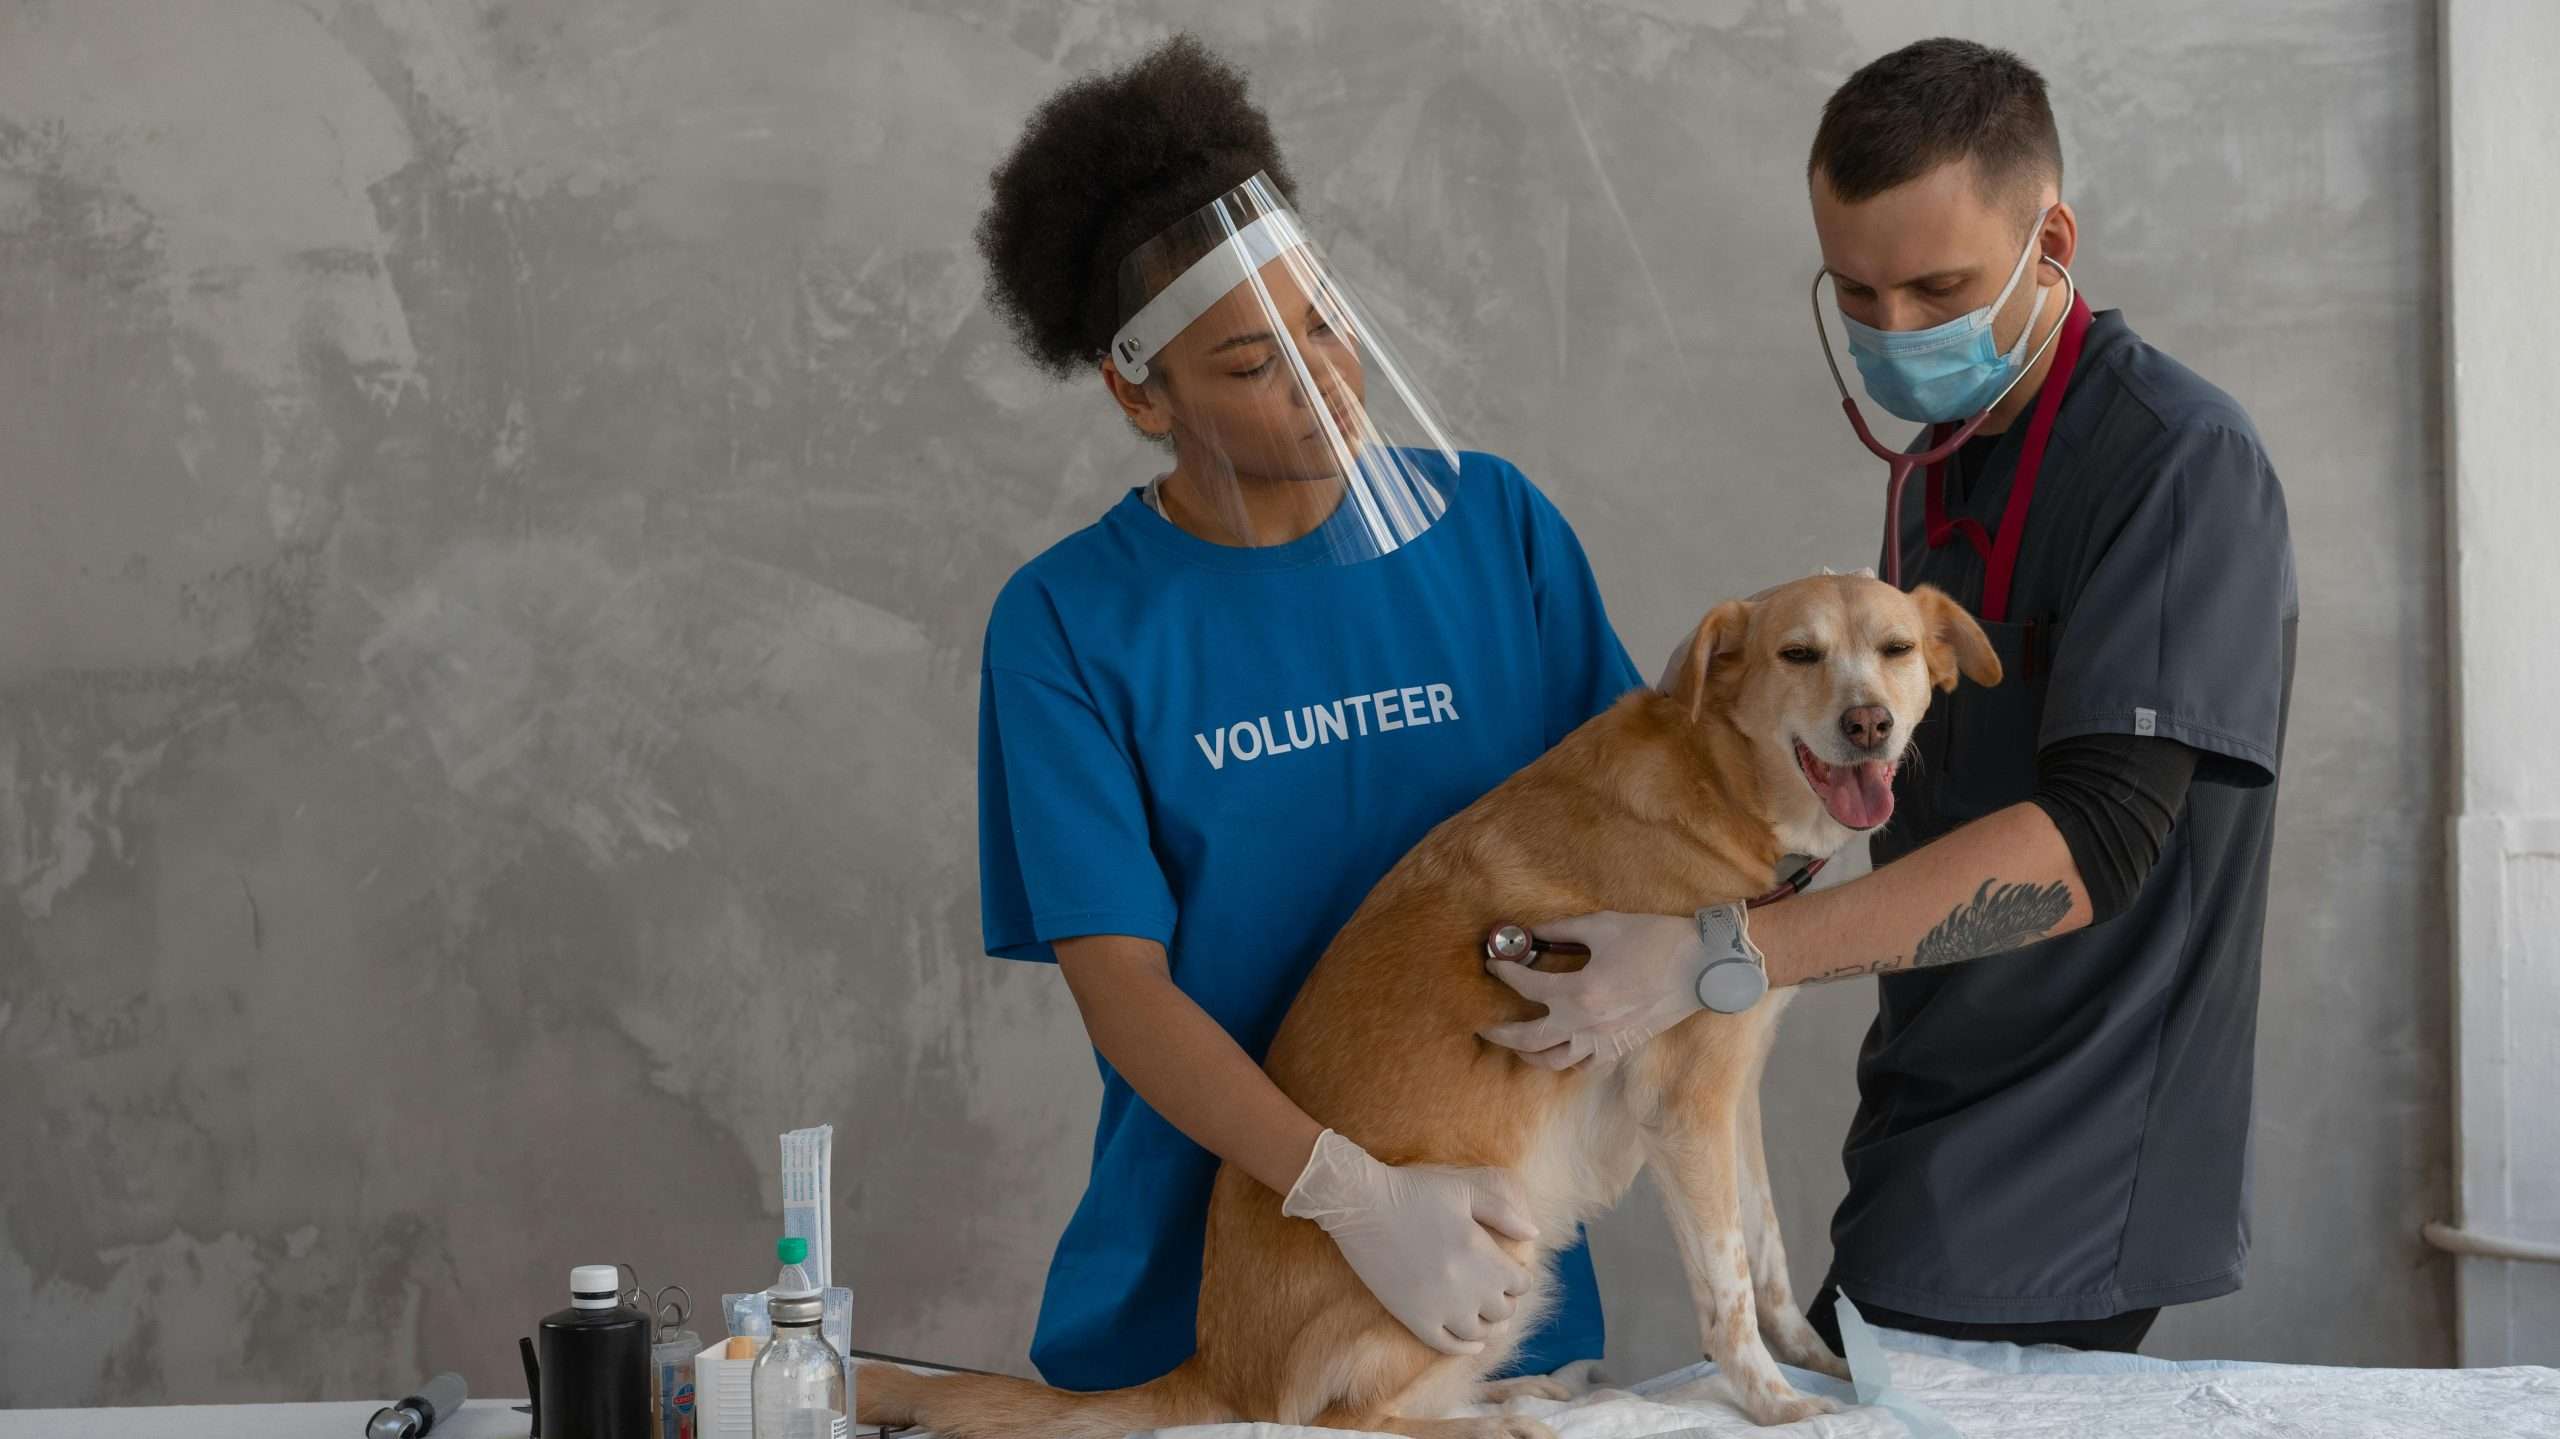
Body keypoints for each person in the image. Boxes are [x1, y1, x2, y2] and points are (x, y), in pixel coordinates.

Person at [1482, 38, 2296, 1355]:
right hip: (1930, 1101)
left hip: (2077, 1147)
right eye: (1858, 293)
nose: (1897, 332)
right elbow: (1879, 772)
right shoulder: (1935, 468)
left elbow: (2099, 843)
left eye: (1939, 287)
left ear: (2053, 241)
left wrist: (1715, 961)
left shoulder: (2179, 464)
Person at [972, 36, 1638, 1390]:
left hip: (1487, 1317)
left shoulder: (1492, 529)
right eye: (1252, 363)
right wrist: (1352, 1199)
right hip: (1208, 1331)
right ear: (1137, 389)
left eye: (1326, 321)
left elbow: (1640, 834)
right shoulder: (1070, 625)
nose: (1323, 376)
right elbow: (1127, 997)